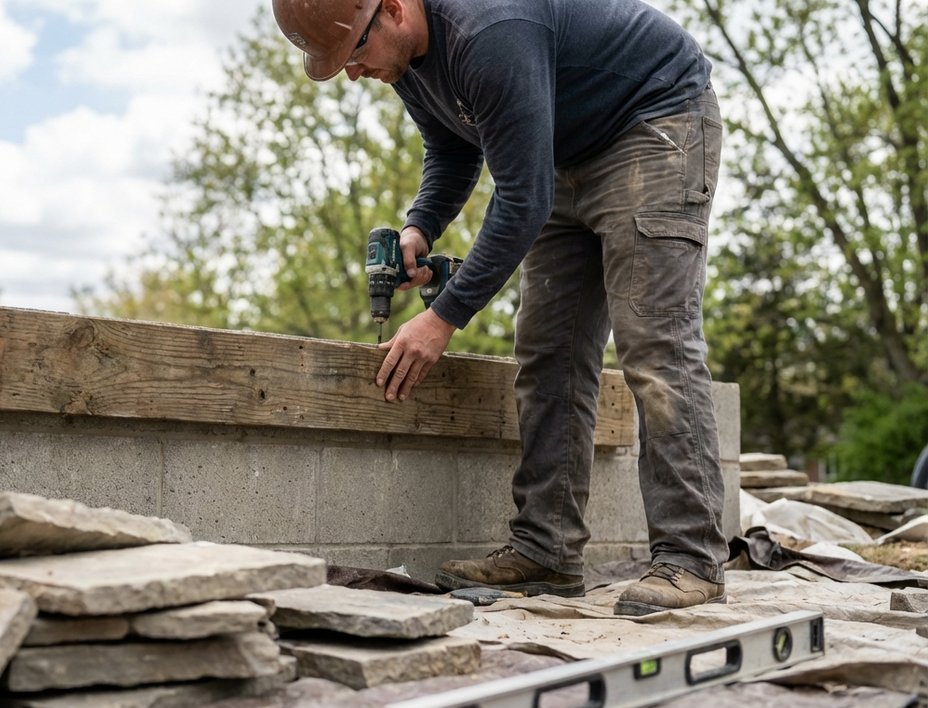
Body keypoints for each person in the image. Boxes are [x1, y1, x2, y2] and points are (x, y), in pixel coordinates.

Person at [272, 0, 729, 615]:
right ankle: (546, 551)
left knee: (654, 345)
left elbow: (521, 200)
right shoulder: (404, 60)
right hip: (562, 150)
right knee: (548, 354)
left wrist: (443, 317)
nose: (353, 72)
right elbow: (453, 148)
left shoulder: (489, 31)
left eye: (353, 51)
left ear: (395, 9)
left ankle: (691, 559)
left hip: (653, 122)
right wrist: (420, 226)